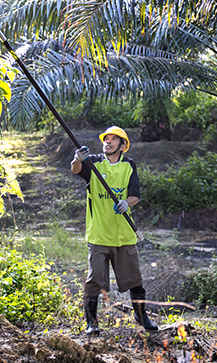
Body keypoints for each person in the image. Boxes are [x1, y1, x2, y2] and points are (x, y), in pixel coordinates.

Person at [71, 126, 158, 335]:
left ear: (122, 145)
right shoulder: (92, 162)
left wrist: (126, 203)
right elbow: (75, 170)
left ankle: (141, 315)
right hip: (99, 234)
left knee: (134, 279)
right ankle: (91, 322)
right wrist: (78, 159)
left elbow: (135, 194)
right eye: (105, 139)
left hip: (124, 235)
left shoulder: (129, 166)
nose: (107, 142)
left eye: (112, 139)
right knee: (95, 280)